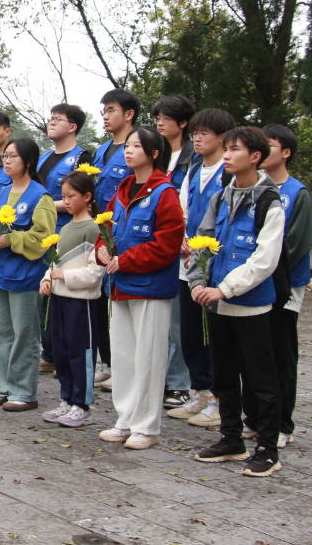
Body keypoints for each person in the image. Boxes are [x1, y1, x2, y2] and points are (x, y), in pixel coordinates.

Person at [188, 126, 285, 477]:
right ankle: (231, 438)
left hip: (251, 305)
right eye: (226, 149)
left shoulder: (269, 202)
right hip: (218, 303)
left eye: (234, 150)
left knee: (260, 379)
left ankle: (268, 448)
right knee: (224, 375)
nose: (226, 156)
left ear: (255, 157)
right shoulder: (221, 197)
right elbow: (202, 242)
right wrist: (198, 281)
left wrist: (225, 289)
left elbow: (264, 260)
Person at [94, 127, 184, 450]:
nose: (128, 151)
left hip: (150, 287)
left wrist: (127, 260)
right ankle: (125, 419)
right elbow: (104, 228)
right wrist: (101, 251)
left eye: (136, 146)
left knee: (149, 358)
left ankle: (147, 426)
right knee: (123, 358)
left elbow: (167, 244)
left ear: (154, 153)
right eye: (127, 146)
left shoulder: (164, 192)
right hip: (119, 286)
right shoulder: (121, 190)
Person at [241, 124, 312, 447]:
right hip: (252, 283)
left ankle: (282, 422)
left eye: (269, 145)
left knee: (281, 354)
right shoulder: (251, 187)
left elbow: (295, 245)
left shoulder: (297, 193)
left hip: (282, 286)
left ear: (285, 152)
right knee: (253, 353)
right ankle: (255, 417)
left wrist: (266, 270)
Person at [0, 137, 56, 411]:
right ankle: (5, 385)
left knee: (24, 333)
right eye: (5, 157)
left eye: (13, 156)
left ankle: (24, 391)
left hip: (25, 273)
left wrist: (11, 240)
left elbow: (44, 238)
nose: (7, 161)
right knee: (1, 332)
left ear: (29, 162)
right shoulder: (2, 193)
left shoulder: (41, 197)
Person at [168, 107, 235, 427]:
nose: (197, 138)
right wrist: (182, 238)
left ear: (222, 138)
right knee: (191, 332)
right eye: (194, 133)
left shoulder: (228, 172)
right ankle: (200, 392)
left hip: (214, 264)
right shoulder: (194, 170)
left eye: (204, 133)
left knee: (214, 335)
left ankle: (221, 399)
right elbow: (181, 209)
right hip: (188, 263)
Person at [39, 170, 104, 427]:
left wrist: (64, 276)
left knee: (81, 352)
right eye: (64, 196)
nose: (66, 201)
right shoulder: (65, 228)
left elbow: (95, 272)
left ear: (87, 197)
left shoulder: (94, 229)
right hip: (59, 298)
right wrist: (47, 279)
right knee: (62, 351)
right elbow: (55, 261)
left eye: (71, 196)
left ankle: (82, 403)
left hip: (81, 301)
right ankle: (66, 398)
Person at [36, 103, 92, 374]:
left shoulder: (82, 157)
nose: (52, 122)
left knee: (65, 293)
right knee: (45, 291)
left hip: (68, 232)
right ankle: (49, 352)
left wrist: (46, 206)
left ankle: (68, 357)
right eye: (51, 118)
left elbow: (80, 197)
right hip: (42, 231)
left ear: (73, 127)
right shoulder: (44, 157)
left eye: (58, 119)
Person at [92, 88, 140, 389]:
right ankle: (108, 362)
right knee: (101, 300)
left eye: (111, 110)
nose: (106, 116)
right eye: (104, 111)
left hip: (127, 234)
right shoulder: (103, 150)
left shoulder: (139, 146)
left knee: (123, 303)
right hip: (102, 232)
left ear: (129, 114)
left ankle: (128, 368)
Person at [152, 95, 196, 410]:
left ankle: (179, 383)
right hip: (153, 242)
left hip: (184, 246)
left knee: (178, 322)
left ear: (182, 123)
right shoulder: (156, 155)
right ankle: (159, 379)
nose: (159, 122)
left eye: (166, 117)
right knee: (159, 320)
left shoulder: (192, 159)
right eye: (157, 117)